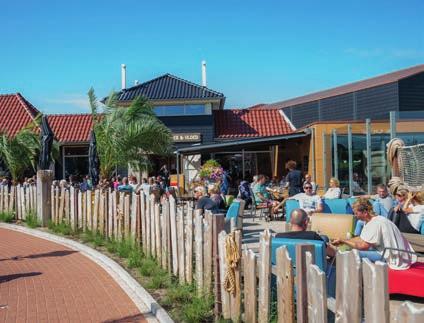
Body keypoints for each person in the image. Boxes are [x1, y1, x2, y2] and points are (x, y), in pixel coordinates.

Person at [332, 198, 416, 270]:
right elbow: (361, 239)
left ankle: (355, 281)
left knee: (352, 255)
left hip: (390, 257)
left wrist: (344, 241)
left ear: (365, 212)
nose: (355, 216)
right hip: (390, 253)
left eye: (356, 213)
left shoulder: (375, 223)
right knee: (350, 251)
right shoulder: (373, 220)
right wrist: (343, 241)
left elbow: (363, 246)